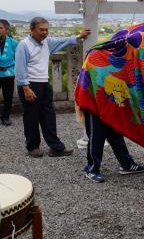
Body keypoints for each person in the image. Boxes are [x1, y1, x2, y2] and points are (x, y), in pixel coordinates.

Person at [15, 17, 91, 158]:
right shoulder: (23, 45)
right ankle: (33, 146)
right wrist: (26, 88)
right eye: (41, 30)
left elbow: (62, 41)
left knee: (48, 116)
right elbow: (20, 68)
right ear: (32, 30)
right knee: (31, 116)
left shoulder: (47, 42)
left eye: (46, 30)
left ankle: (55, 147)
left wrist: (79, 36)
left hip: (44, 83)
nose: (44, 33)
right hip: (30, 84)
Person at [83, 111, 144, 183]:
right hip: (93, 105)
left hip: (109, 103)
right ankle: (92, 169)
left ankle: (127, 163)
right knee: (96, 136)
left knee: (116, 134)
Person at [0, 19, 17, 126]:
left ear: (6, 29)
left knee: (8, 97)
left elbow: (19, 58)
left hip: (8, 73)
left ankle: (6, 117)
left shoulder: (14, 43)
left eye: (0, 28)